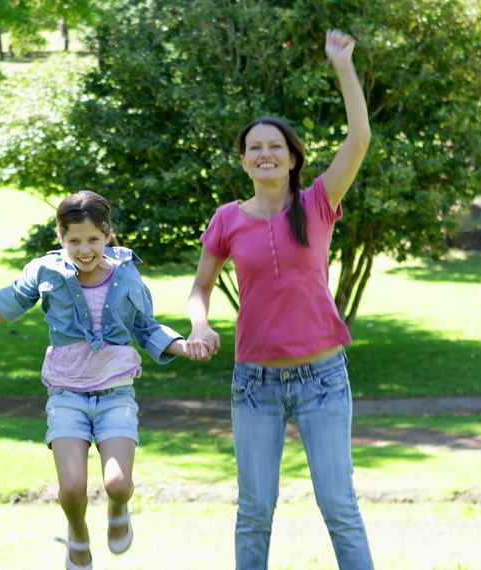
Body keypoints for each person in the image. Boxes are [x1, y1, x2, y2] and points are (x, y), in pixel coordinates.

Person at [186, 30, 374, 569]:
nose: (264, 154)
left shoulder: (318, 202)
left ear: (292, 158)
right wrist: (199, 326)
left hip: (323, 380)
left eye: (275, 146)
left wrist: (343, 66)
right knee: (254, 510)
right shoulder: (227, 219)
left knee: (339, 505)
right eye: (254, 148)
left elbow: (358, 139)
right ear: (245, 162)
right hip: (255, 384)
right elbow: (200, 286)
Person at [0, 191, 202, 570]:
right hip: (67, 393)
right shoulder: (45, 271)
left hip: (115, 393)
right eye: (74, 241)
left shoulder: (127, 273)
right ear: (60, 237)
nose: (84, 250)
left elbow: (146, 327)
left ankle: (119, 510)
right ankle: (78, 533)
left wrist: (185, 347)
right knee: (71, 488)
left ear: (107, 234)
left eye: (92, 240)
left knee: (118, 483)